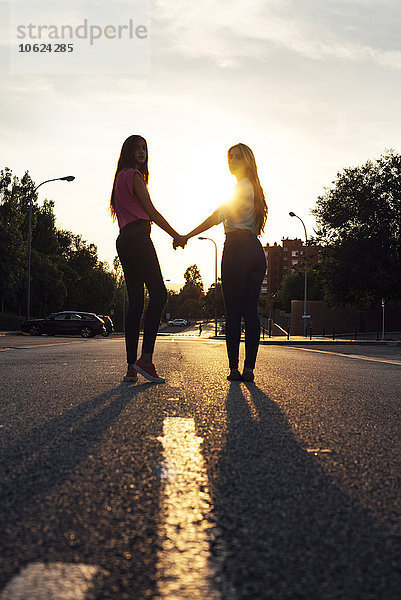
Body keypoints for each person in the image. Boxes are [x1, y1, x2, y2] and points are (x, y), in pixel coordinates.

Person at [177, 143, 268, 382]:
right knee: (251, 311)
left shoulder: (241, 187)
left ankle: (234, 369)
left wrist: (186, 235)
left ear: (247, 160)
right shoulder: (255, 189)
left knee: (235, 311)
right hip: (256, 251)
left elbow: (217, 216)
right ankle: (249, 368)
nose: (232, 161)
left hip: (237, 250)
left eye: (237, 157)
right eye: (229, 158)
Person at [110, 135, 186, 383]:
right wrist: (176, 235)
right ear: (128, 151)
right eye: (137, 147)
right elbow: (151, 211)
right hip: (139, 238)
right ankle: (146, 359)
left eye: (145, 148)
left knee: (135, 303)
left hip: (124, 240)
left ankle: (131, 367)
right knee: (159, 294)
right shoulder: (134, 176)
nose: (142, 151)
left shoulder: (118, 179)